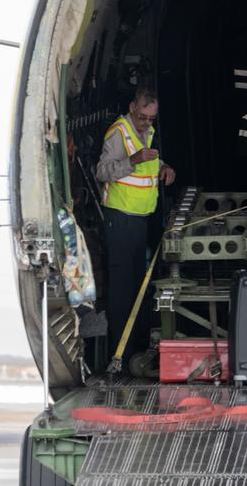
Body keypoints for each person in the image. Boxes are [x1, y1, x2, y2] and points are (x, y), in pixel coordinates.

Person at [95, 87, 176, 350]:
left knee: (137, 282)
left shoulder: (145, 131)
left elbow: (147, 162)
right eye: (143, 117)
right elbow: (102, 171)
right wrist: (133, 160)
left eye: (151, 118)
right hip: (120, 217)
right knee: (122, 286)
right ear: (132, 107)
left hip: (140, 217)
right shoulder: (119, 132)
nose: (147, 123)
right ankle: (121, 348)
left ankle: (138, 343)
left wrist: (163, 167)